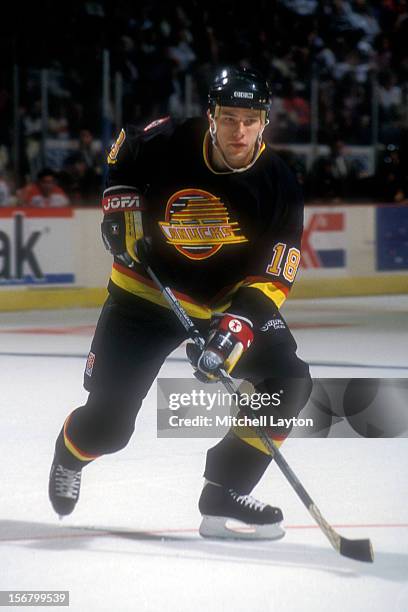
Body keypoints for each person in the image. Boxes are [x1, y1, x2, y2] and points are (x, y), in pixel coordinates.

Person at [49, 67, 312, 539]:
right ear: (210, 115)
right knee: (110, 427)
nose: (239, 131)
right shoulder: (168, 139)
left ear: (265, 122)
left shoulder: (279, 185)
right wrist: (119, 200)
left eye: (250, 120)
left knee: (288, 382)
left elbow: (275, 273)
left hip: (225, 305)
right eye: (229, 117)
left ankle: (224, 490)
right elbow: (124, 148)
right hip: (145, 296)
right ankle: (72, 449)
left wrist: (237, 327)